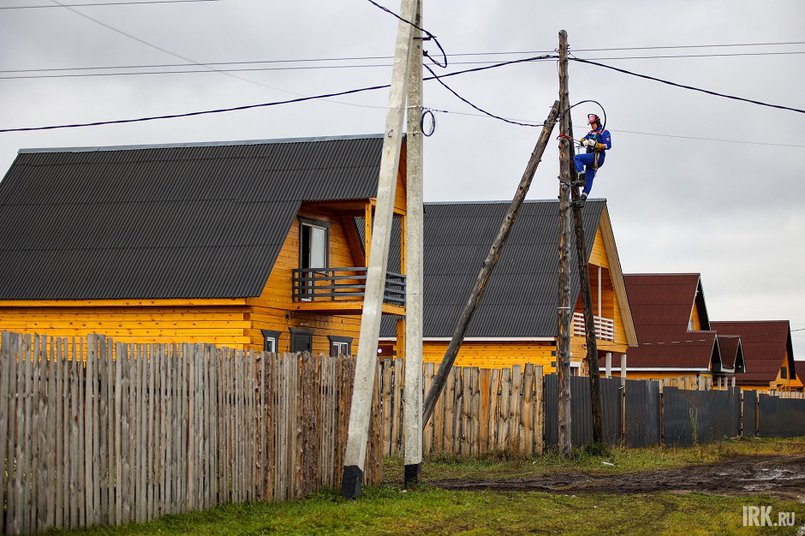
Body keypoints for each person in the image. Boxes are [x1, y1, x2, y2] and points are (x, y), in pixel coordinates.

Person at [574, 113, 611, 202]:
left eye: (593, 124)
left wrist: (596, 145)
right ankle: (583, 198)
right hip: (591, 156)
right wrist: (583, 141)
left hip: (597, 156)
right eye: (591, 124)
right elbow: (583, 139)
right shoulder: (590, 133)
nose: (592, 126)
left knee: (577, 158)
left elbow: (608, 146)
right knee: (589, 177)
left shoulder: (604, 132)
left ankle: (581, 176)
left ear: (597, 123)